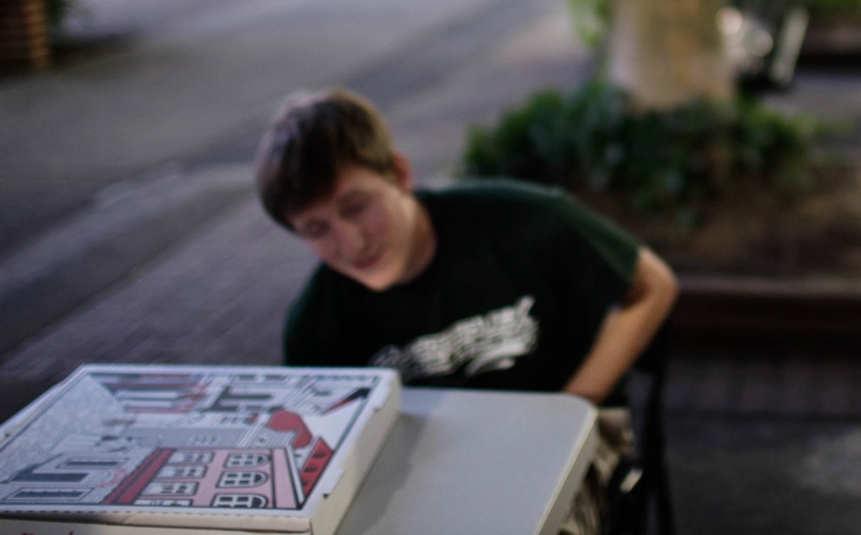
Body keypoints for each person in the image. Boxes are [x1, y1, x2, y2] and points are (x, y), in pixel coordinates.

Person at [254, 87, 679, 535]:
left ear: (399, 173)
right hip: (421, 461)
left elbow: (654, 285)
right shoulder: (315, 323)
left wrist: (572, 403)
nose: (352, 242)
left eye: (357, 207)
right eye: (317, 230)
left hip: (573, 432)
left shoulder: (524, 221)